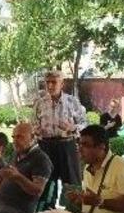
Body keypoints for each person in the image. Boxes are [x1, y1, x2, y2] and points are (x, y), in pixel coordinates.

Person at [32, 71, 86, 205]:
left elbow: (85, 123)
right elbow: (32, 123)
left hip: (67, 145)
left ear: (62, 84)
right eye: (47, 82)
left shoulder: (72, 101)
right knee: (46, 181)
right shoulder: (39, 103)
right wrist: (36, 130)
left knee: (72, 182)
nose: (50, 85)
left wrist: (72, 128)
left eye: (54, 82)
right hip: (45, 146)